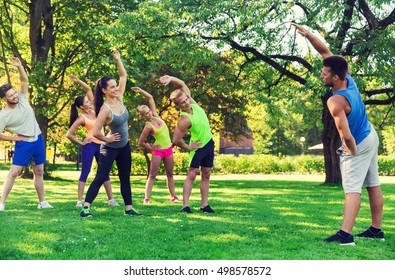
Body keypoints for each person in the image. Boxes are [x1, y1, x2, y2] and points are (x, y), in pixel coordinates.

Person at [293, 23, 384, 245]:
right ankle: (376, 230)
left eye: (324, 74)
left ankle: (345, 236)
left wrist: (350, 152)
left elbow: (347, 137)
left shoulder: (336, 101)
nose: (321, 76)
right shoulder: (348, 79)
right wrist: (308, 35)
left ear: (334, 78)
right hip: (370, 135)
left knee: (352, 189)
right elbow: (325, 52)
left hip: (359, 141)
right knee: (373, 184)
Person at [80, 50, 142, 217]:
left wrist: (118, 59)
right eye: (112, 87)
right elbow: (95, 131)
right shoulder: (104, 110)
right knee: (101, 177)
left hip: (124, 146)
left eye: (116, 86)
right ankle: (85, 207)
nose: (116, 88)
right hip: (110, 148)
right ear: (105, 91)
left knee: (125, 177)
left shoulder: (119, 98)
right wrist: (106, 138)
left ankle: (129, 208)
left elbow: (123, 76)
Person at [0, 57, 53, 211]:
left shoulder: (22, 98)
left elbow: (24, 81)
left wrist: (19, 66)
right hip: (24, 143)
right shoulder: (3, 115)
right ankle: (1, 203)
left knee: (39, 171)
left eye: (13, 93)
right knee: (14, 172)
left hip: (38, 139)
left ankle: (42, 202)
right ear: (4, 99)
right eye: (10, 96)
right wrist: (16, 138)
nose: (14, 96)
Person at [160, 75, 215, 214]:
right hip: (198, 147)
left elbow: (182, 83)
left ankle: (204, 205)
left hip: (209, 143)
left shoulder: (192, 103)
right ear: (178, 106)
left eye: (186, 99)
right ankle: (185, 205)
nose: (186, 103)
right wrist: (189, 147)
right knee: (192, 174)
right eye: (183, 102)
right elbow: (176, 139)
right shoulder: (184, 119)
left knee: (206, 174)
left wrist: (170, 78)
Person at [66, 74, 119, 207]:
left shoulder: (96, 110)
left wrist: (78, 81)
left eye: (89, 101)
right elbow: (69, 134)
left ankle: (111, 199)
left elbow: (89, 89)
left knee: (104, 171)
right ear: (82, 107)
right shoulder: (81, 118)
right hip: (90, 146)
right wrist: (81, 143)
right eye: (87, 102)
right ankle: (79, 200)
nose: (90, 102)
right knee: (86, 172)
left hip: (101, 144)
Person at [132, 86, 180, 204]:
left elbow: (150, 97)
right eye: (146, 114)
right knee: (152, 175)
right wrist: (151, 147)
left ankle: (173, 196)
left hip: (168, 149)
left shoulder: (156, 115)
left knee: (170, 174)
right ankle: (147, 198)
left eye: (148, 112)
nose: (149, 114)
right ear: (143, 116)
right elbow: (141, 142)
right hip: (158, 151)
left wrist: (141, 90)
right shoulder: (148, 126)